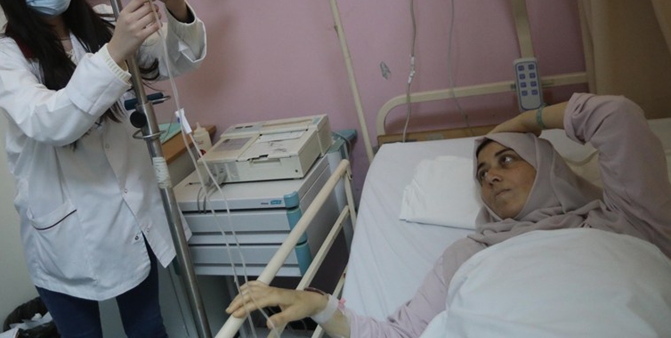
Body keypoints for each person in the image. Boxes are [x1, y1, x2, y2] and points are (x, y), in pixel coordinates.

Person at [226, 93, 671, 337]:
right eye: (481, 172)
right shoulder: (468, 254)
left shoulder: (623, 220)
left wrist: (523, 122)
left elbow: (617, 116)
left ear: (551, 166)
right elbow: (398, 337)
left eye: (508, 160)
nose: (491, 177)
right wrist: (321, 306)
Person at [0, 0, 207, 338]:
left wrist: (176, 7)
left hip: (131, 211)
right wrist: (116, 52)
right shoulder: (2, 57)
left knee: (148, 327)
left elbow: (170, 63)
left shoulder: (100, 24)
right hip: (67, 231)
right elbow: (49, 121)